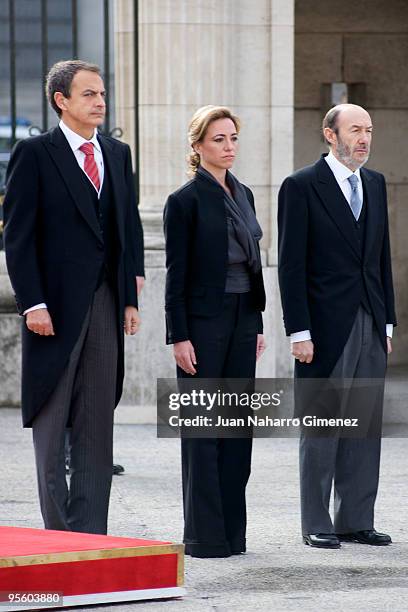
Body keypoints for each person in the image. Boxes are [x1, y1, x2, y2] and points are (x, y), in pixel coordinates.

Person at [3, 60, 144, 534]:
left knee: (96, 423)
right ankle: (59, 535)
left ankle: (91, 535)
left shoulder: (118, 153)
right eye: (88, 94)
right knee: (53, 418)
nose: (100, 101)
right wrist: (33, 303)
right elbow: (18, 237)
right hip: (54, 308)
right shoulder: (35, 154)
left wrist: (130, 294)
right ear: (61, 100)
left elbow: (128, 229)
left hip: (105, 301)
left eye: (101, 93)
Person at [278, 103, 396, 549]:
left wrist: (387, 322)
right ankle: (317, 521)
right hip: (324, 327)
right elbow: (291, 266)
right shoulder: (300, 186)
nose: (363, 139)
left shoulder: (376, 183)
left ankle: (355, 519)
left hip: (370, 318)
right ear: (330, 134)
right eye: (354, 130)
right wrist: (299, 331)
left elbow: (381, 257)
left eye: (368, 130)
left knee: (364, 427)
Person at [163, 105, 266, 558]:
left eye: (233, 138)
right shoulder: (183, 201)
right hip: (203, 323)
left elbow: (255, 263)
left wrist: (258, 323)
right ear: (198, 145)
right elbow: (175, 274)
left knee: (237, 429)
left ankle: (233, 534)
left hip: (244, 315)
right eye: (219, 139)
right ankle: (204, 538)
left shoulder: (243, 193)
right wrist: (178, 336)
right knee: (203, 430)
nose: (229, 147)